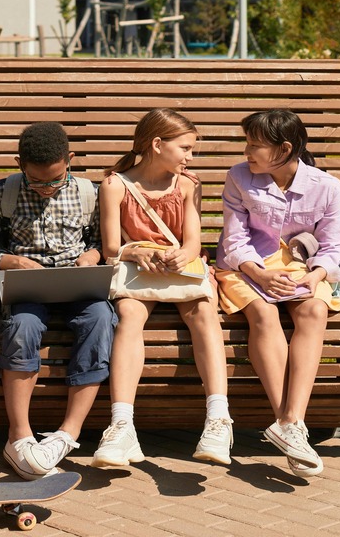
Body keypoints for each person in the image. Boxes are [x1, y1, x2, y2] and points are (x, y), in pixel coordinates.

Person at [92, 108, 233, 468]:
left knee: (203, 310)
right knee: (129, 314)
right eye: (185, 148)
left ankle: (218, 420)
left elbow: (191, 242)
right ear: (157, 144)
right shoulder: (115, 185)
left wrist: (181, 256)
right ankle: (122, 424)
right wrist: (137, 251)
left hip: (179, 267)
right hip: (138, 267)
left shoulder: (187, 184)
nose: (189, 157)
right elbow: (110, 248)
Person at [215, 109, 340, 478]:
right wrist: (259, 272)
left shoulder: (326, 186)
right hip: (246, 265)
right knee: (263, 314)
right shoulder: (239, 177)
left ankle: (292, 421)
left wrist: (316, 274)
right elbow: (235, 238)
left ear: (285, 148)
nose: (247, 151)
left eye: (255, 145)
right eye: (247, 143)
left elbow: (335, 244)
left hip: (299, 267)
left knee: (314, 311)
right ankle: (287, 426)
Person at [0, 121, 116, 480]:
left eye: (56, 180)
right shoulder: (0, 195)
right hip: (27, 287)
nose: (46, 189)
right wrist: (5, 260)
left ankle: (67, 433)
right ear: (19, 164)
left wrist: (93, 256)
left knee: (101, 320)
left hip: (77, 283)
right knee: (21, 326)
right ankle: (19, 435)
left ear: (70, 160)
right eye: (37, 181)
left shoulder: (90, 193)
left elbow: (100, 242)